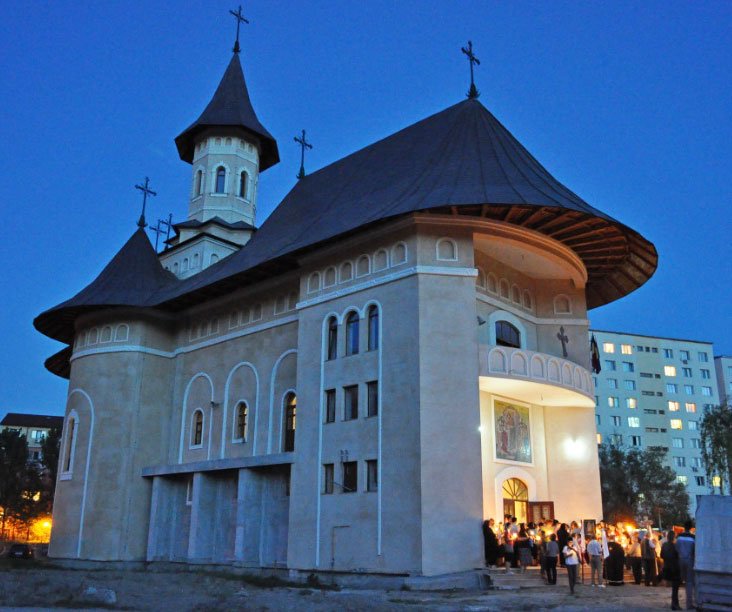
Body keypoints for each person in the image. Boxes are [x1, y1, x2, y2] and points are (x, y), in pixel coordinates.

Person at [676, 520, 695, 610]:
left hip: (680, 560)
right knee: (689, 582)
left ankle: (675, 602)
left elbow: (676, 548)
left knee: (677, 582)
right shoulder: (693, 537)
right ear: (691, 527)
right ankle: (689, 604)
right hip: (689, 561)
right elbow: (694, 550)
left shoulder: (679, 536)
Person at [661, 530, 681, 610]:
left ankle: (674, 604)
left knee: (674, 587)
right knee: (675, 588)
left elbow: (661, 555)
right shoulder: (675, 546)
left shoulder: (664, 545)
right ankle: (675, 604)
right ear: (674, 537)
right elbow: (678, 556)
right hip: (674, 568)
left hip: (667, 567)